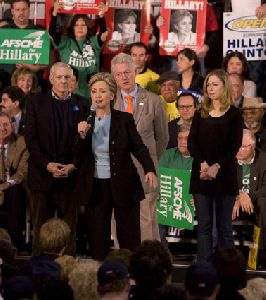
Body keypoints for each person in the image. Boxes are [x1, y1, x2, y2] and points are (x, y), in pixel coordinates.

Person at [76, 72, 157, 260]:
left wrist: (149, 168)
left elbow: (139, 147)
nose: (98, 95)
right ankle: (101, 277)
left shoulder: (124, 119)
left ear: (112, 95)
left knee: (129, 237)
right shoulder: (84, 120)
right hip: (95, 187)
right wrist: (81, 136)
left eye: (102, 91)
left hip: (124, 184)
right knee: (97, 238)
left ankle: (130, 276)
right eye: (94, 91)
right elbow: (77, 155)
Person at [25, 62, 88, 255]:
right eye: (59, 77)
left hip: (70, 177)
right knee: (40, 228)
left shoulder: (83, 104)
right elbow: (31, 139)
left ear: (73, 81)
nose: (63, 81)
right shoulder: (36, 102)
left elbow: (86, 142)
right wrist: (47, 164)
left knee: (69, 229)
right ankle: (37, 268)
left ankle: (68, 270)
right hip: (42, 175)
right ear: (51, 79)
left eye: (67, 77)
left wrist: (73, 165)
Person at [111, 53, 168, 242]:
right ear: (114, 77)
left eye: (127, 72)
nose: (124, 77)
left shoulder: (153, 100)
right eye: (118, 74)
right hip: (117, 172)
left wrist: (149, 160)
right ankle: (121, 265)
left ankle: (149, 265)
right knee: (118, 220)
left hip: (145, 171)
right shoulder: (110, 102)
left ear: (135, 71)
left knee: (146, 221)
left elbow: (162, 138)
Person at [188, 69, 243, 262]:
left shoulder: (235, 114)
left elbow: (234, 145)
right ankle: (204, 269)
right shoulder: (200, 112)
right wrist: (204, 164)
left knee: (224, 227)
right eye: (208, 85)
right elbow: (191, 143)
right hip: (201, 176)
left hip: (224, 177)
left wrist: (216, 166)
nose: (210, 88)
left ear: (224, 86)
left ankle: (228, 271)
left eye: (214, 84)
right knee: (203, 226)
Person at [49, 0, 107, 99]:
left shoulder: (93, 42)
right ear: (72, 27)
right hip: (69, 96)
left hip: (91, 96)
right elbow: (52, 33)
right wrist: (54, 14)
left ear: (88, 27)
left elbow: (103, 33)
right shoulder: (65, 42)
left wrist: (101, 16)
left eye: (83, 25)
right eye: (76, 25)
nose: (80, 28)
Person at [232, 129, 266, 268]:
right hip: (233, 204)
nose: (238, 150)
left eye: (243, 146)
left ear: (252, 147)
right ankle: (222, 255)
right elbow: (221, 183)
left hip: (257, 207)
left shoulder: (263, 160)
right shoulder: (228, 159)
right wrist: (238, 195)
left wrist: (249, 196)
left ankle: (259, 255)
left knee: (263, 202)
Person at [159, 124, 193, 248]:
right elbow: (159, 177)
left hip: (192, 203)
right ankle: (161, 252)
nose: (183, 142)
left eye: (187, 138)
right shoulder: (169, 154)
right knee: (156, 210)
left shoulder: (201, 157)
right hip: (169, 201)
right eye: (180, 138)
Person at [0, 112, 28, 249]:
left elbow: (23, 171)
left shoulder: (21, 142)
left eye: (6, 125)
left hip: (13, 187)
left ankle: (14, 245)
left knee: (16, 191)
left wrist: (7, 184)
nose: (2, 128)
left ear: (12, 126)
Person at [0, 0, 47, 78]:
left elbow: (47, 61)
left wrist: (36, 68)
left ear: (29, 10)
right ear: (12, 11)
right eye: (18, 10)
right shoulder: (2, 31)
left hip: (33, 82)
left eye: (24, 9)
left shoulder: (40, 31)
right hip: (6, 81)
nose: (21, 13)